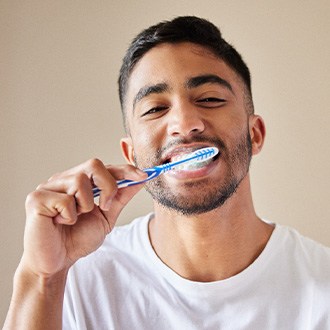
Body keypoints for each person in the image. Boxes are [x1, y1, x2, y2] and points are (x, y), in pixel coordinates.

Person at [4, 16, 330, 330]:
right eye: (156, 108)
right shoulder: (74, 280)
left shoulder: (322, 288)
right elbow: (47, 279)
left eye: (210, 98)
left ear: (255, 134)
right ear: (131, 154)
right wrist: (42, 278)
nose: (184, 123)